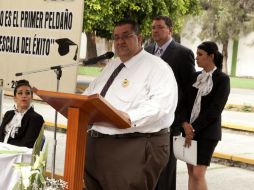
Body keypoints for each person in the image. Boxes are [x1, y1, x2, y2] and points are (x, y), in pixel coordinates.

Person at [83, 19, 178, 190]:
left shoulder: (157, 67)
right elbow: (91, 93)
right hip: (96, 145)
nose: (120, 42)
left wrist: (129, 116)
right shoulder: (112, 65)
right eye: (116, 37)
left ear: (139, 38)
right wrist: (78, 105)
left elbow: (161, 106)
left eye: (126, 36)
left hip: (134, 145)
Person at [145, 15, 195, 190]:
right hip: (148, 119)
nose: (155, 31)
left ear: (170, 30)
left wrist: (184, 121)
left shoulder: (183, 53)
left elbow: (189, 92)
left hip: (172, 120)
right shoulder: (147, 50)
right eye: (153, 27)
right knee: (148, 166)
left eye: (159, 27)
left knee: (166, 169)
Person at [182, 41, 230, 190]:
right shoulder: (195, 77)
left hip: (207, 132)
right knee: (190, 172)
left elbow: (215, 110)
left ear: (211, 56)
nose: (196, 58)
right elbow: (183, 103)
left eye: (200, 55)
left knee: (198, 173)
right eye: (196, 54)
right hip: (188, 130)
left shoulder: (222, 79)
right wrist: (184, 124)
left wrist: (193, 128)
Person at [0, 80, 44, 148]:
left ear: (31, 97)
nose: (24, 96)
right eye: (20, 93)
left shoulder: (36, 118)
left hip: (17, 156)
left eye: (27, 93)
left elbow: (28, 144)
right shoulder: (8, 114)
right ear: (14, 98)